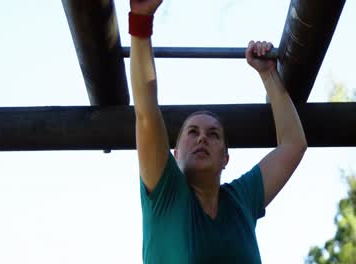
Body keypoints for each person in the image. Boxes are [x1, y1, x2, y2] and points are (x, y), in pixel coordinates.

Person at [129, 0, 307, 263]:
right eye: (192, 132)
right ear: (175, 153)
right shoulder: (166, 193)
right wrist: (140, 21)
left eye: (213, 135)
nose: (202, 137)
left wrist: (269, 75)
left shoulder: (241, 200)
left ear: (225, 158)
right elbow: (146, 113)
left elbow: (293, 144)